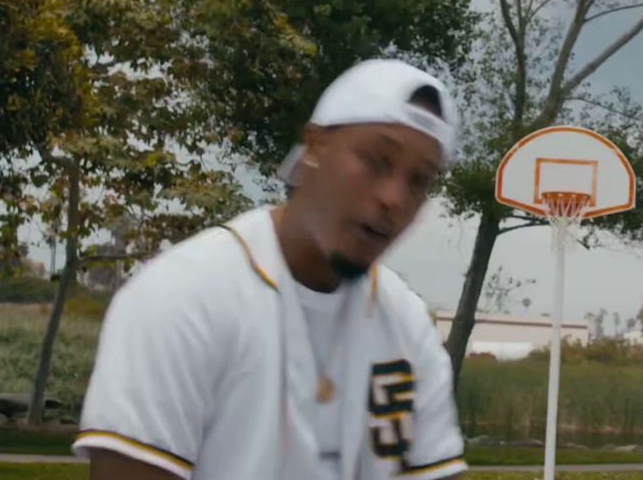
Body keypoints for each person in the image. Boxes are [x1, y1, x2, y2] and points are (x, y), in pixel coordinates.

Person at [72, 59, 468, 480]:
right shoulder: (182, 296)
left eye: (418, 181)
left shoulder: (408, 327)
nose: (394, 197)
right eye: (375, 159)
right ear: (315, 148)